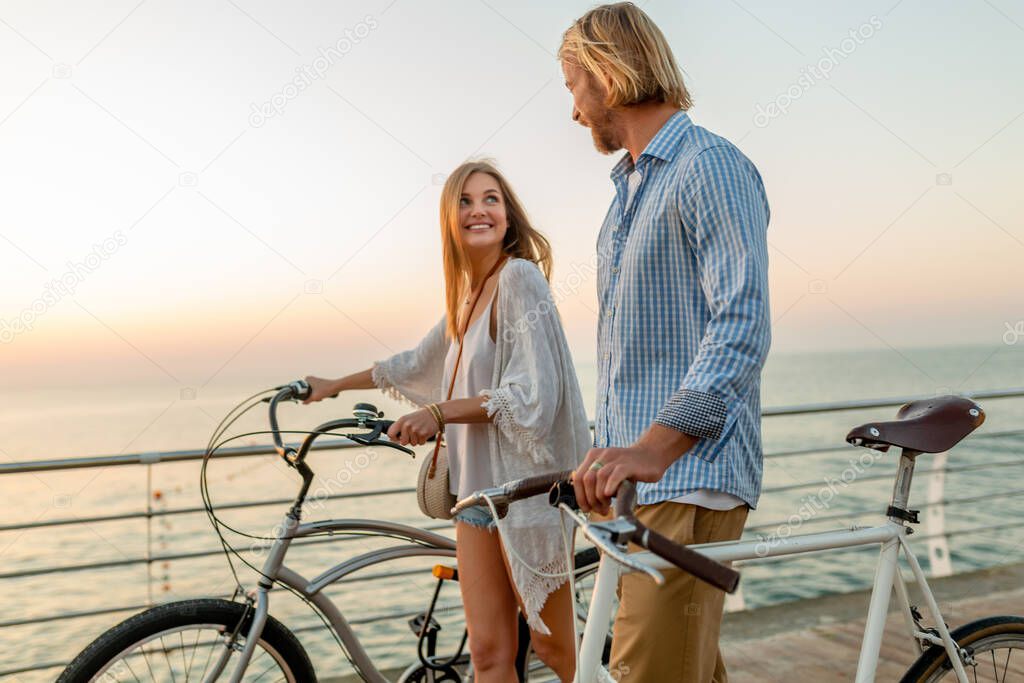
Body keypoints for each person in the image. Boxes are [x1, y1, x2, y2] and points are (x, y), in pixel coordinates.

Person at [305, 160, 590, 682]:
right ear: (449, 218)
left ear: (508, 216)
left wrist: (438, 413)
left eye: (491, 199)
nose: (478, 210)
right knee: (487, 655)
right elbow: (414, 365)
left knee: (558, 653)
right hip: (475, 497)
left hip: (527, 495)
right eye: (464, 200)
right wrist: (332, 385)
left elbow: (534, 398)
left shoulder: (519, 279)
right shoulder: (465, 299)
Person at [561, 4, 772, 682]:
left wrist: (654, 446)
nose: (573, 111)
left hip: (692, 480)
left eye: (572, 86)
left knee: (641, 672)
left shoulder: (708, 166)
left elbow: (741, 323)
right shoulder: (626, 192)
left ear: (606, 73)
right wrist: (614, 457)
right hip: (643, 489)